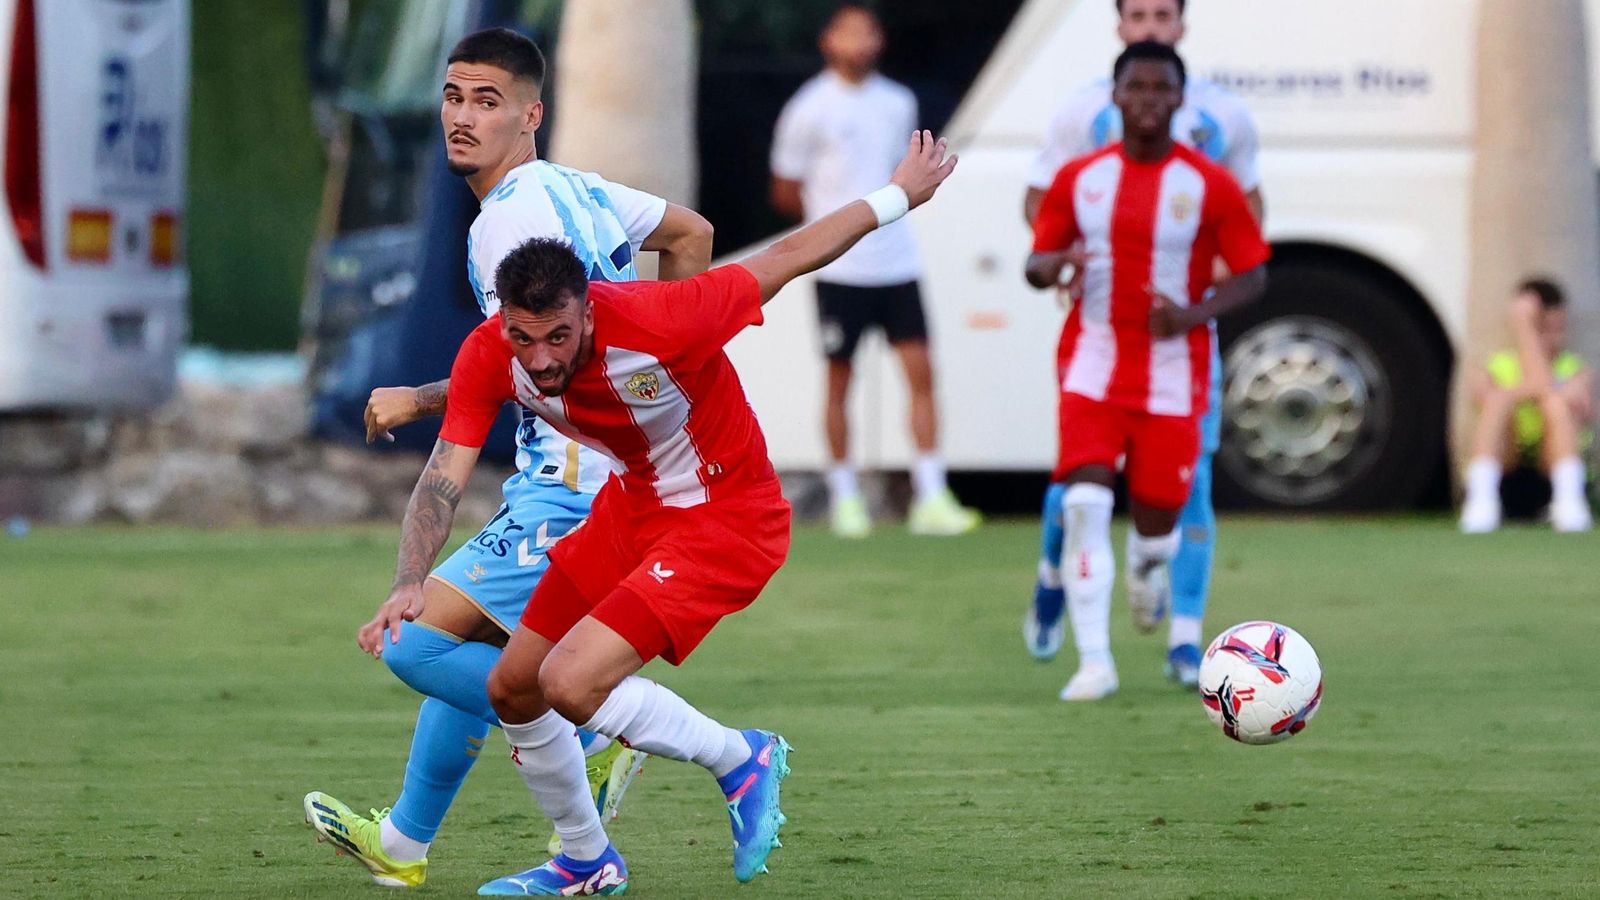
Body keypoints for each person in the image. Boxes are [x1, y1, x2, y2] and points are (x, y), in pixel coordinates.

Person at [358, 130, 958, 894]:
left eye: (558, 336)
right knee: (515, 686)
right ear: (499, 320)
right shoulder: (492, 352)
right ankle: (586, 861)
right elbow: (443, 477)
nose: (540, 358)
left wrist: (899, 194)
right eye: (522, 337)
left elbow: (787, 256)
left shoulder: (663, 319)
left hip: (726, 516)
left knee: (569, 685)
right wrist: (410, 579)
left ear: (589, 309)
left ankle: (742, 758)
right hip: (632, 506)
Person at [301, 28, 715, 888]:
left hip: (572, 486)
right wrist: (664, 372)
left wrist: (420, 399)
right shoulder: (574, 188)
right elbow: (691, 233)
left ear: (532, 114)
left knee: (419, 644)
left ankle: (600, 735)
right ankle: (406, 843)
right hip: (582, 475)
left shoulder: (510, 224)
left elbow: (539, 358)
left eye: (486, 101)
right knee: (476, 639)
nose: (462, 117)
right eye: (454, 97)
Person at [1021, 0, 1264, 688]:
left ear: (1181, 96)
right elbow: (1039, 242)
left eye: (1162, 88)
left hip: (1175, 369)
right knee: (1082, 497)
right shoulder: (1081, 165)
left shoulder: (1210, 172)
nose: (1149, 100)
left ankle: (1151, 574)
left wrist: (1193, 313)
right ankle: (1094, 656)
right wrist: (1052, 265)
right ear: (1115, 90)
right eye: (1137, 87)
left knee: (1165, 514)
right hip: (1093, 360)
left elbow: (1253, 263)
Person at [769, 3, 979, 538]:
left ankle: (931, 495)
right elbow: (785, 189)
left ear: (879, 41)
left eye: (868, 32)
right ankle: (846, 499)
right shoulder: (808, 107)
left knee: (921, 374)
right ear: (828, 41)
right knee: (841, 380)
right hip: (842, 269)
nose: (859, 42)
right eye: (849, 32)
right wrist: (833, 229)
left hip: (898, 261)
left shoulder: (898, 101)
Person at [1460, 278, 1594, 533]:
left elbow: (1552, 390)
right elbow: (1485, 397)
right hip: (1507, 474)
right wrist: (1525, 333)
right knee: (1498, 402)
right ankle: (1481, 501)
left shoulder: (1575, 370)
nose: (1551, 337)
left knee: (1555, 404)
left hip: (1551, 477)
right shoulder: (1495, 367)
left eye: (1558, 329)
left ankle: (1568, 503)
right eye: (1541, 329)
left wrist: (1529, 387)